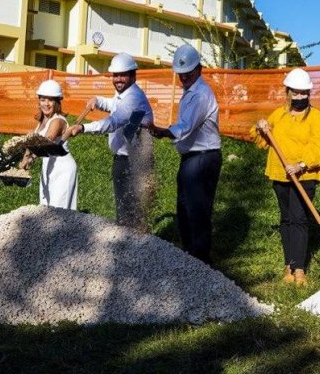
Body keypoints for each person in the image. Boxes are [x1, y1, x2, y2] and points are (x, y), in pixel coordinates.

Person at [251, 68, 320, 286]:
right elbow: (261, 142)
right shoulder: (279, 114)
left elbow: (319, 146)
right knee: (286, 219)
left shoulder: (316, 117)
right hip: (280, 174)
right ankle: (289, 264)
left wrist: (301, 165)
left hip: (304, 176)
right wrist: (260, 126)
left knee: (299, 219)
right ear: (288, 92)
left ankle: (300, 269)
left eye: (304, 93)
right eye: (296, 92)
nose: (300, 97)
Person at [149, 44, 222, 263]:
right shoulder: (190, 92)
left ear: (198, 69)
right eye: (181, 75)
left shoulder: (199, 94)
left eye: (188, 73)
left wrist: (164, 132)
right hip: (192, 157)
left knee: (197, 210)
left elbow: (187, 126)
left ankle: (200, 261)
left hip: (202, 158)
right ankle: (189, 255)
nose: (184, 78)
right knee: (184, 207)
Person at [67, 53, 155, 229]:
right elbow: (114, 105)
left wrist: (83, 128)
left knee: (132, 211)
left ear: (133, 75)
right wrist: (98, 101)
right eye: (115, 75)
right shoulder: (123, 94)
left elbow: (113, 122)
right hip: (124, 159)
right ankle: (127, 243)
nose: (118, 79)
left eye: (123, 75)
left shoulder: (134, 98)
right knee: (124, 210)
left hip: (136, 162)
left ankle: (134, 248)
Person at [20, 79, 78, 209]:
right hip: (48, 167)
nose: (46, 104)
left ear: (57, 102)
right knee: (46, 210)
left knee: (60, 213)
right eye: (43, 100)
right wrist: (25, 159)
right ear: (39, 101)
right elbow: (33, 143)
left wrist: (32, 157)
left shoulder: (58, 120)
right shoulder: (41, 122)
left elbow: (48, 140)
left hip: (62, 169)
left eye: (50, 100)